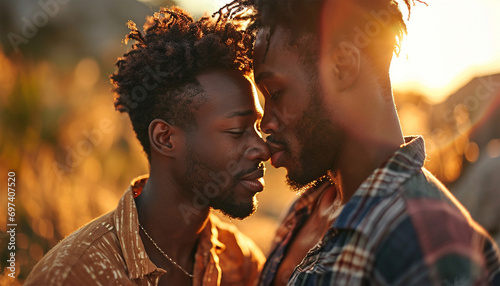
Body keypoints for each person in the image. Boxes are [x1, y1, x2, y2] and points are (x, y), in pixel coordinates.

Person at [219, 0, 500, 285]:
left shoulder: (429, 241)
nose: (266, 123)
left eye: (276, 92)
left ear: (342, 67)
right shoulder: (307, 207)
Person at [25, 7, 270, 286]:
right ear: (165, 138)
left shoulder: (242, 264)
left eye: (258, 128)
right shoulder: (74, 277)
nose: (263, 149)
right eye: (237, 131)